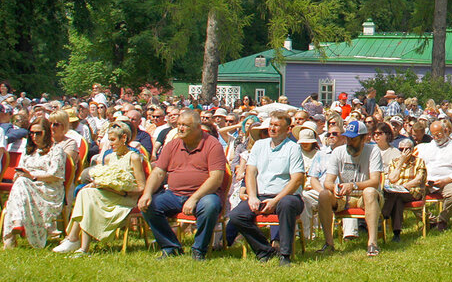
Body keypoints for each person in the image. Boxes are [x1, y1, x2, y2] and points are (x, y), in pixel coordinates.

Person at [137, 109, 228, 260]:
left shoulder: (212, 145)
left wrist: (194, 198)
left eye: (185, 125)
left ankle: (199, 250)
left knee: (210, 205)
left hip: (204, 195)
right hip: (174, 194)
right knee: (149, 205)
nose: (180, 128)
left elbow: (216, 178)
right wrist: (146, 193)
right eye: (179, 124)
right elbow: (158, 172)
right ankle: (170, 246)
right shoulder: (172, 145)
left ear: (198, 127)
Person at [53, 123, 148, 254]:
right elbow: (106, 180)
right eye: (109, 140)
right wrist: (98, 183)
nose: (110, 144)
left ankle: (75, 240)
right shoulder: (109, 157)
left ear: (124, 138)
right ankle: (79, 245)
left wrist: (122, 189)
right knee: (86, 192)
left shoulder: (134, 157)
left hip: (126, 198)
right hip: (109, 195)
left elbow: (142, 187)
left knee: (87, 195)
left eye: (113, 140)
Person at [225, 113, 305, 265]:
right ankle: (264, 250)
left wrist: (276, 200)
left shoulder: (293, 148)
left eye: (277, 126)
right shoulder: (259, 145)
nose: (272, 128)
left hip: (287, 196)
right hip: (260, 195)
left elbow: (296, 180)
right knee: (236, 216)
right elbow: (251, 172)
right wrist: (253, 196)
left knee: (286, 205)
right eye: (271, 125)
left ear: (287, 129)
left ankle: (285, 255)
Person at [320, 119, 383, 256]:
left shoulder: (373, 151)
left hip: (365, 197)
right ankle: (329, 243)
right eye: (347, 138)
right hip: (344, 197)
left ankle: (372, 243)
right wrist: (334, 187)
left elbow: (375, 181)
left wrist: (353, 185)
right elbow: (327, 182)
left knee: (370, 192)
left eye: (353, 139)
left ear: (364, 139)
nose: (349, 142)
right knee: (324, 195)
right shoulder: (338, 152)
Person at [2, 115, 66, 248]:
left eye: (38, 133)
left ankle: (11, 235)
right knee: (20, 183)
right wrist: (21, 176)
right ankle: (17, 223)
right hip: (26, 187)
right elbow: (19, 170)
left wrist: (33, 176)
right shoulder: (29, 150)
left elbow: (56, 174)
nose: (34, 136)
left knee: (21, 185)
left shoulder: (56, 150)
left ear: (46, 133)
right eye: (31, 133)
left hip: (48, 189)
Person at [416, 119, 452, 232]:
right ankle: (430, 220)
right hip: (428, 181)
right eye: (433, 135)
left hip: (448, 181)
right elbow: (419, 165)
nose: (436, 138)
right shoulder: (425, 147)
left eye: (439, 134)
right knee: (409, 195)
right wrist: (423, 179)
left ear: (446, 131)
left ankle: (442, 220)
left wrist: (445, 181)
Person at [381, 136, 425, 240]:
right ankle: (397, 233)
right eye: (401, 149)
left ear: (412, 149)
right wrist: (400, 163)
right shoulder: (395, 162)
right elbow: (392, 179)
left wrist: (404, 187)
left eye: (407, 149)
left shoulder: (419, 161)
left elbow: (419, 179)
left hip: (413, 191)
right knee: (397, 200)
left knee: (394, 194)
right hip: (397, 193)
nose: (404, 152)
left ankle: (384, 214)